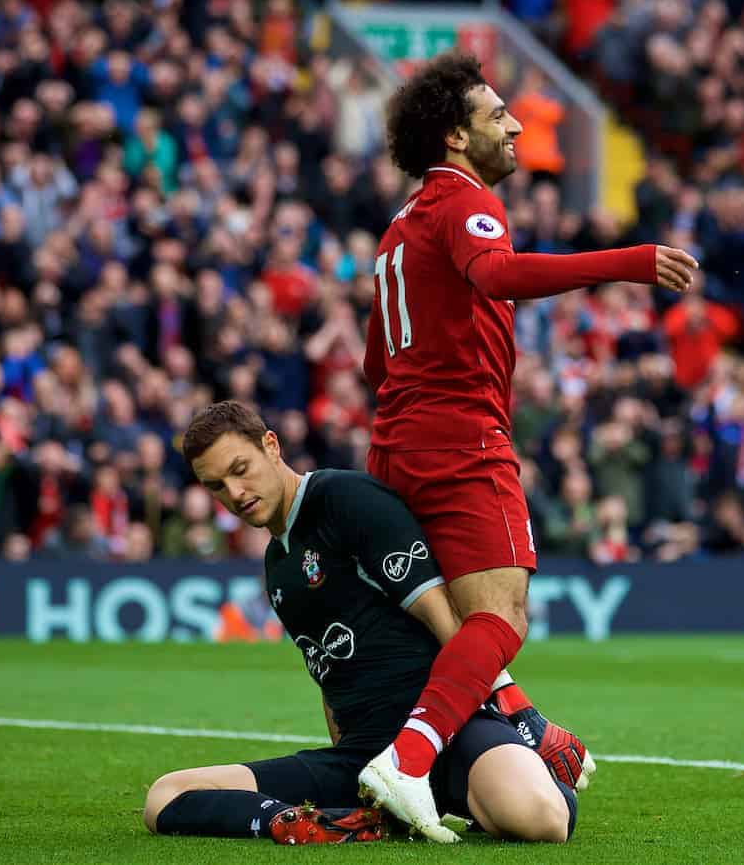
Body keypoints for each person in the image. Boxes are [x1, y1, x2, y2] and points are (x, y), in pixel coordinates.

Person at [360, 50, 698, 835]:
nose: (515, 125)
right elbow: (499, 275)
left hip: (398, 442)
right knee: (505, 616)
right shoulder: (462, 202)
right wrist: (631, 262)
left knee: (460, 619)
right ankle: (408, 761)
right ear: (454, 137)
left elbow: (378, 359)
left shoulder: (397, 231)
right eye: (496, 114)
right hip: (461, 436)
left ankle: (513, 725)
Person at [143, 401, 577, 846]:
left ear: (271, 445)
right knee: (166, 795)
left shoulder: (346, 500)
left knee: (541, 818)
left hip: (445, 730)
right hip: (363, 757)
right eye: (216, 485)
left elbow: (445, 617)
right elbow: (329, 681)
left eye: (240, 469)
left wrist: (512, 710)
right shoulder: (276, 565)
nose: (235, 492)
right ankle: (302, 823)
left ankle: (514, 778)